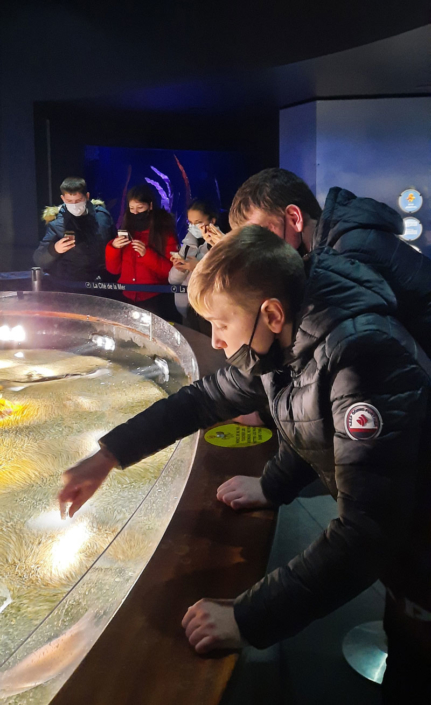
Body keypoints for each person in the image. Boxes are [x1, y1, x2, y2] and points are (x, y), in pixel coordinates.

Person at [59, 226, 431, 702]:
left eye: (220, 324)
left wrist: (248, 617)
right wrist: (108, 456)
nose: (215, 342)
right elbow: (203, 401)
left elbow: (369, 530)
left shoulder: (363, 358)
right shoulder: (289, 341)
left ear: (270, 313)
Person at [227, 167, 431, 358]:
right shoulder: (337, 244)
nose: (257, 250)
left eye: (262, 234)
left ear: (294, 218)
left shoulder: (346, 255)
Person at [105, 184, 180, 322]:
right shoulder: (126, 230)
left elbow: (171, 272)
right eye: (131, 208)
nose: (135, 212)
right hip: (127, 296)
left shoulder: (164, 233)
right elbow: (113, 270)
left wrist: (147, 255)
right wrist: (113, 248)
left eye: (140, 208)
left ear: (150, 206)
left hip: (155, 298)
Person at [34, 176, 117, 282]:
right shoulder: (57, 224)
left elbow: (114, 245)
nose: (74, 205)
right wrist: (54, 249)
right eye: (69, 201)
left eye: (78, 200)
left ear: (87, 196)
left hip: (103, 281)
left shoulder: (102, 216)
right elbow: (39, 259)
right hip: (71, 283)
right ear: (63, 199)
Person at [168, 199, 218, 333]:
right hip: (187, 310)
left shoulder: (221, 244)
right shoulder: (187, 244)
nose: (194, 227)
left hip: (210, 311)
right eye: (190, 223)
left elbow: (225, 277)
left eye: (198, 222)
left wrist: (198, 268)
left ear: (212, 221)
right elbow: (172, 280)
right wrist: (179, 268)